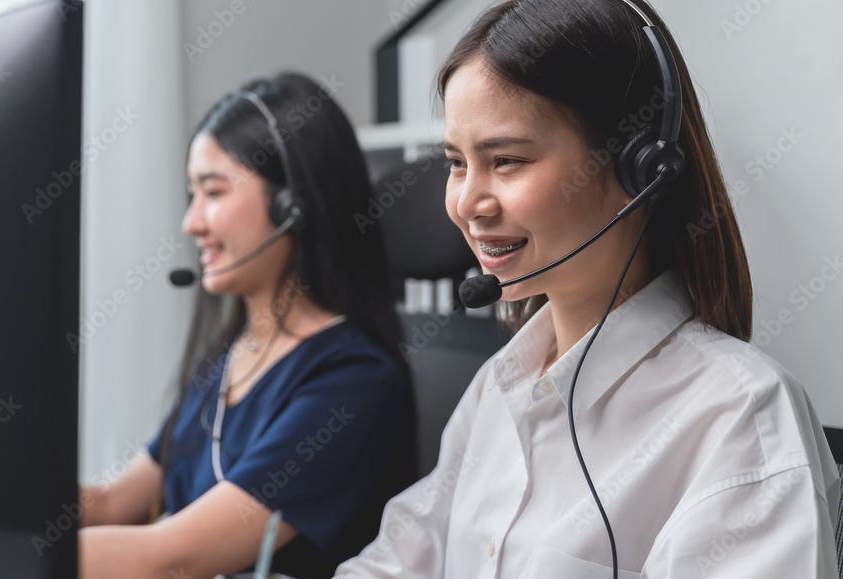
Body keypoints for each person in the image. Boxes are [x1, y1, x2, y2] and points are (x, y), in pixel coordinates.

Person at [335, 0, 839, 577]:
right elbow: (394, 563)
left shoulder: (737, 417)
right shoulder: (500, 386)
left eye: (506, 160)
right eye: (456, 162)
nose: (467, 203)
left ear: (640, 169)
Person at [78, 72, 417, 579]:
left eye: (212, 192)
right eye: (191, 194)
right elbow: (112, 504)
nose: (191, 222)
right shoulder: (233, 353)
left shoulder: (355, 379)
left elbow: (171, 558)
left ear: (292, 207)